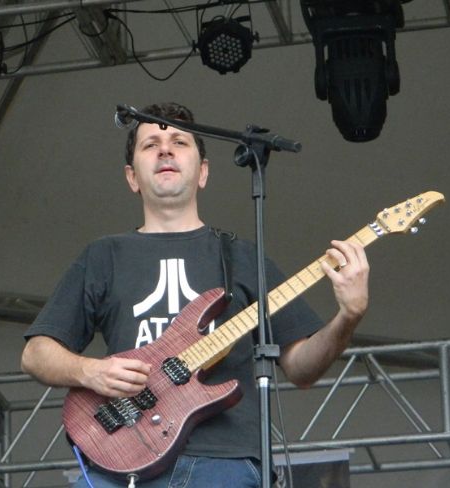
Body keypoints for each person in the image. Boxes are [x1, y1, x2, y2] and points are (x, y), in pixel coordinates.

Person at [21, 102, 369, 488]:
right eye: (150, 144)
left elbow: (302, 368)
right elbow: (36, 353)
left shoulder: (242, 257)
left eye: (179, 142)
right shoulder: (104, 256)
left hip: (225, 463)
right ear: (132, 177)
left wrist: (348, 316)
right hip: (124, 459)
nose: (165, 150)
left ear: (203, 172)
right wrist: (91, 371)